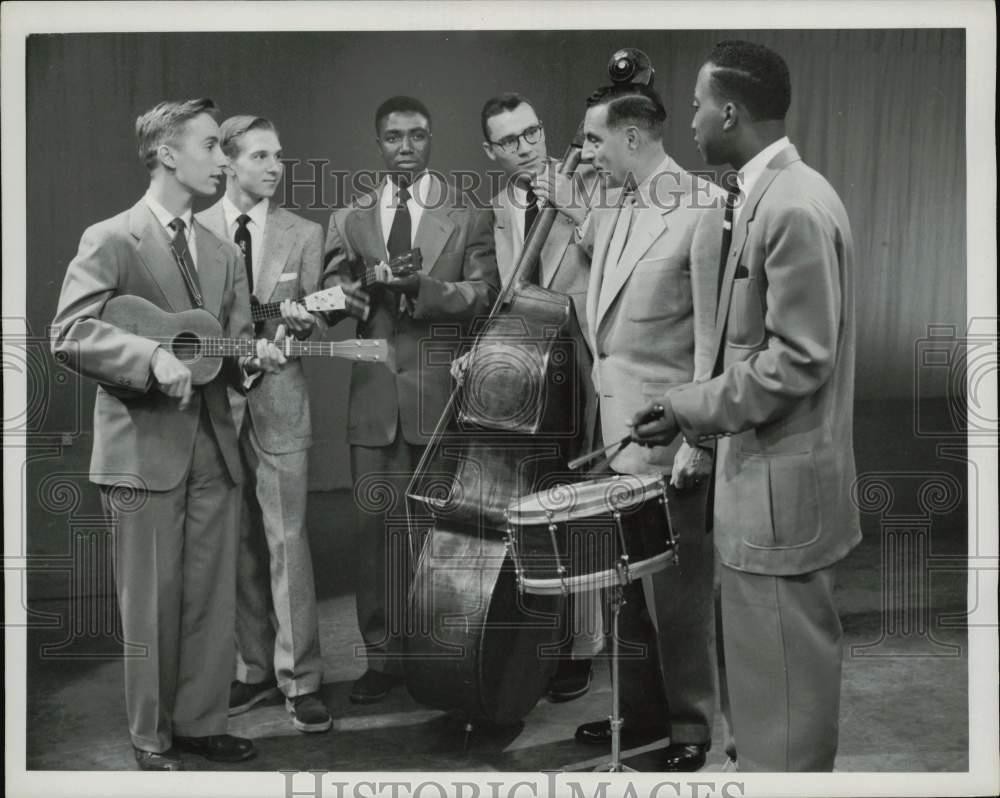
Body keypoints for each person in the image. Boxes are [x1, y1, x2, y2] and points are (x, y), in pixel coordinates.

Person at [630, 40, 860, 771]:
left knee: (784, 724)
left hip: (781, 506)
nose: (690, 120)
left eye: (698, 105)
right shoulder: (771, 196)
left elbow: (798, 359)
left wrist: (689, 405)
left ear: (729, 110)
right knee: (770, 711)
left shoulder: (790, 205)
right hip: (767, 499)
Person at [50, 98, 286, 770]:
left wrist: (254, 362)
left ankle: (201, 721)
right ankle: (151, 738)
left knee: (212, 600)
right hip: (142, 450)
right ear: (167, 153)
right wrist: (149, 357)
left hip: (213, 446)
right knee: (150, 604)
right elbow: (69, 332)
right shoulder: (111, 238)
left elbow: (231, 351)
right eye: (213, 146)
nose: (224, 160)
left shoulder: (222, 251)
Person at [535, 82, 721, 771]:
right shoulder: (613, 202)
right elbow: (593, 273)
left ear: (632, 137)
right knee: (628, 592)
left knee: (678, 596)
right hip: (614, 436)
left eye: (593, 139)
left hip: (670, 439)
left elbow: (713, 339)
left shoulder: (702, 209)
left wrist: (699, 439)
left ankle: (692, 726)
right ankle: (638, 716)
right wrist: (570, 191)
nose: (586, 151)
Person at [322, 95, 500, 704]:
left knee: (436, 537)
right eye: (394, 136)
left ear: (430, 141)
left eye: (417, 136)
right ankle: (383, 658)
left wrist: (423, 288)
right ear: (379, 143)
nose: (406, 147)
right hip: (372, 396)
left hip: (439, 397)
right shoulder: (349, 217)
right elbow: (329, 289)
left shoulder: (467, 215)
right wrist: (343, 294)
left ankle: (435, 661)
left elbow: (484, 294)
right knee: (373, 536)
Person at [196, 115, 331, 733]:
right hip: (214, 406)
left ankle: (301, 680)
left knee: (286, 541)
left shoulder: (303, 232)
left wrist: (309, 318)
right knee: (240, 544)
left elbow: (318, 307)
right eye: (260, 156)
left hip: (279, 403)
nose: (275, 166)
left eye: (279, 155)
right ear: (226, 163)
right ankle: (255, 669)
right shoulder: (192, 233)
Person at [479, 91, 600, 702]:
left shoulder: (592, 183)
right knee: (537, 502)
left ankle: (585, 645)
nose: (525, 148)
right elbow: (511, 291)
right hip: (532, 370)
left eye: (531, 133)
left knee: (581, 505)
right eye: (509, 141)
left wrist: (577, 210)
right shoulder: (502, 204)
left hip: (585, 363)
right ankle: (539, 639)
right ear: (491, 151)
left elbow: (614, 263)